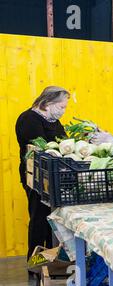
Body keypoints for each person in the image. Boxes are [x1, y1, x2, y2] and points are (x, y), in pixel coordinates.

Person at [15, 86, 70, 261]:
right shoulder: (28, 119)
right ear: (47, 103)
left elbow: (63, 141)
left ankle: (52, 259)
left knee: (52, 218)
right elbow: (38, 147)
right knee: (39, 217)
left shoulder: (53, 121)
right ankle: (35, 260)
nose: (63, 111)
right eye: (61, 107)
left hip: (53, 176)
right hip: (35, 176)